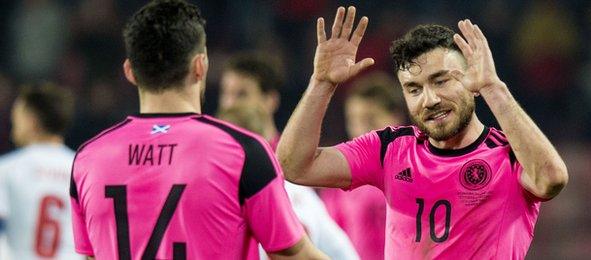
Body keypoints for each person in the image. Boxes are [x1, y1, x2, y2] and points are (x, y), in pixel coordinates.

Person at [277, 6, 569, 259]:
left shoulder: (506, 155)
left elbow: (551, 179)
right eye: (414, 89)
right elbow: (295, 166)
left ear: (472, 80)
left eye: (441, 81)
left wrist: (493, 87)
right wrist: (321, 83)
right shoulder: (389, 149)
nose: (430, 100)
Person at [69, 1, 325, 259]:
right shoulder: (244, 152)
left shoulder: (88, 159)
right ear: (200, 66)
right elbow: (293, 256)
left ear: (130, 72)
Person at [217, 53, 359, 260]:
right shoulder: (221, 160)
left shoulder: (295, 160)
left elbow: (311, 235)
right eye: (225, 93)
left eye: (241, 94)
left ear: (270, 100)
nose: (229, 103)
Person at [319, 72, 405, 260]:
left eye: (370, 119)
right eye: (354, 121)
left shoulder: (415, 170)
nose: (360, 131)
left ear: (395, 117)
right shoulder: (338, 179)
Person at [0, 84, 80, 259]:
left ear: (31, 120)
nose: (12, 122)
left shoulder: (7, 169)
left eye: (16, 115)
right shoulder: (83, 170)